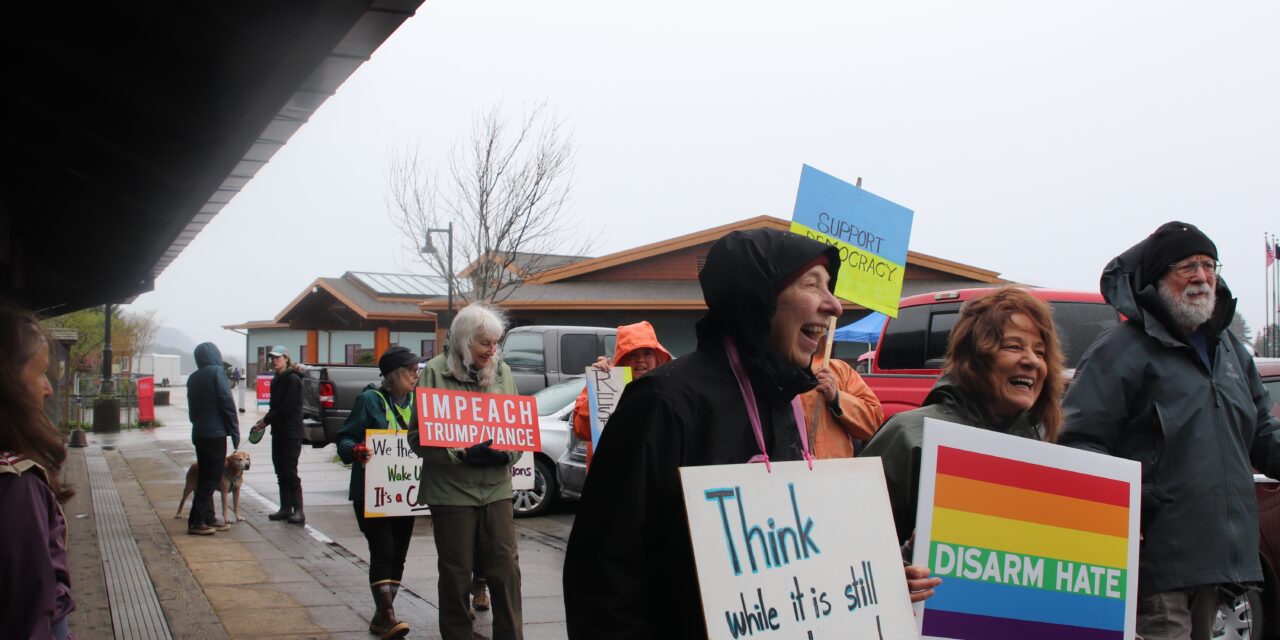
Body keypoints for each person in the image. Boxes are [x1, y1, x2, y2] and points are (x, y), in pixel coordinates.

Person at [562, 229, 940, 638]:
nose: (834, 305)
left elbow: (796, 556)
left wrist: (869, 586)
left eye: (829, 288)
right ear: (758, 297)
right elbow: (602, 580)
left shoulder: (789, 401)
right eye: (811, 284)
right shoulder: (662, 404)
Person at [1058, 221, 1280, 639]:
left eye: (1208, 264)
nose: (1201, 276)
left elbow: (1261, 432)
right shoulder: (1120, 350)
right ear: (1158, 280)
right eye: (1186, 266)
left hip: (1222, 562)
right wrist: (1133, 497)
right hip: (1156, 564)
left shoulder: (1231, 350)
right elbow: (1076, 441)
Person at [860, 286, 1066, 544]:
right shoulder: (910, 437)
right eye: (1014, 346)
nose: (1032, 361)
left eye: (1040, 352)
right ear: (973, 358)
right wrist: (904, 567)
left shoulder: (1046, 452)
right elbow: (852, 540)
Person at [408, 303, 524, 640]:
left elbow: (517, 430)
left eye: (495, 343)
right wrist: (462, 454)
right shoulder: (433, 372)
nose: (492, 350)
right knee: (456, 572)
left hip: (496, 489)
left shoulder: (503, 373)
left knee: (506, 571)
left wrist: (506, 454)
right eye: (484, 343)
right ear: (463, 341)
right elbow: (418, 438)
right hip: (451, 492)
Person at [0, 302, 77, 638]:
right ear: (9, 381)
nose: (48, 388)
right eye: (41, 371)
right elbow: (28, 611)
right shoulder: (17, 483)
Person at [336, 346, 424, 640]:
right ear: (395, 374)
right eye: (411, 370)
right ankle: (387, 615)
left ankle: (382, 615)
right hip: (372, 494)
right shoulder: (369, 400)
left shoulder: (418, 402)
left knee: (398, 553)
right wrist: (355, 450)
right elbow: (345, 438)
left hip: (405, 495)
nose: (416, 375)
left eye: (417, 370)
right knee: (383, 549)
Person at [569, 320, 673, 465]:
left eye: (647, 353)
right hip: (613, 477)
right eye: (633, 355)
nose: (641, 360)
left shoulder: (669, 389)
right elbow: (582, 430)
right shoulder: (605, 385)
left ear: (657, 358)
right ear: (622, 359)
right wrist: (597, 386)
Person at [185, 342, 241, 535]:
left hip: (199, 432)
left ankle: (209, 516)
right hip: (215, 433)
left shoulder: (193, 378)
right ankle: (196, 520)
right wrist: (234, 430)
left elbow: (192, 412)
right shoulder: (217, 372)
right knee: (211, 477)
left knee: (206, 474)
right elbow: (227, 402)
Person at [253, 345, 306, 524]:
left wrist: (265, 421)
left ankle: (299, 510)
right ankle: (285, 508)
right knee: (280, 470)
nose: (274, 360)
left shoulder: (292, 379)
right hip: (279, 431)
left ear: (286, 358)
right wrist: (267, 421)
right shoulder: (276, 379)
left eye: (278, 357)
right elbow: (275, 407)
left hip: (292, 432)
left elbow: (287, 408)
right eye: (272, 358)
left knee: (290, 471)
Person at [801, 354, 883, 458]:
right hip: (789, 471)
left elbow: (873, 423)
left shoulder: (839, 370)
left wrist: (836, 398)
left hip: (838, 470)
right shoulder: (778, 374)